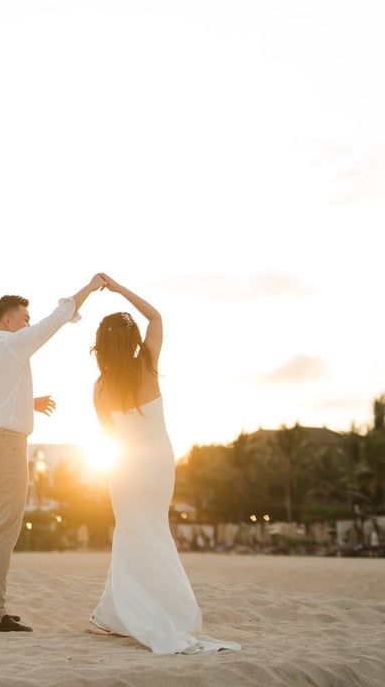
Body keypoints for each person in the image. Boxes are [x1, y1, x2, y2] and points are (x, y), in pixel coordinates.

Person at [89, 274, 241, 655]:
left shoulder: (100, 388)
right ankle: (114, 614)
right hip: (158, 467)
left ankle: (121, 615)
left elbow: (110, 435)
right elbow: (155, 317)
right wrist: (121, 289)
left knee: (130, 534)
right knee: (153, 532)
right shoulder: (148, 365)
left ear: (102, 347)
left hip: (125, 471)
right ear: (133, 340)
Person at [0, 273, 108, 633]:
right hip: (5, 447)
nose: (29, 324)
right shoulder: (13, 345)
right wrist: (89, 289)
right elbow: (56, 319)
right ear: (8, 321)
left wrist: (29, 403)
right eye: (24, 318)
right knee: (6, 530)